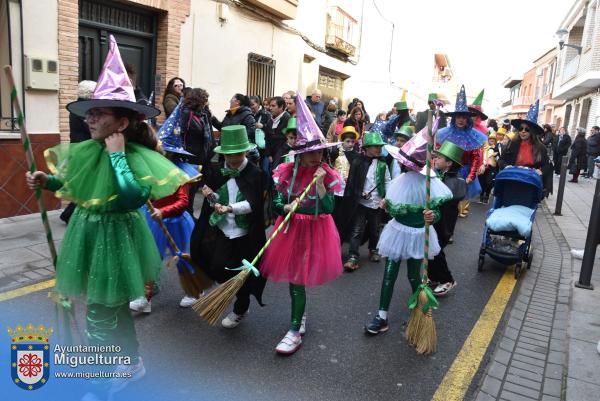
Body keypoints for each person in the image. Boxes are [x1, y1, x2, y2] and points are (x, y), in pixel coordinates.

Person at [26, 36, 187, 394]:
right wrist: (47, 179)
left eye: (99, 112)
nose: (90, 117)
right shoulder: (90, 150)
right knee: (112, 311)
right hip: (88, 232)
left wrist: (117, 156)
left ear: (123, 122)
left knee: (99, 314)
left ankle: (98, 385)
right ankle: (132, 363)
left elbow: (131, 197)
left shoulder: (135, 157)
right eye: (90, 111)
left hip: (115, 239)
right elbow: (79, 186)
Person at [259, 93, 342, 355]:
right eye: (310, 153)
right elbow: (276, 202)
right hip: (291, 229)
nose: (316, 156)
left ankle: (294, 329)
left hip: (316, 230)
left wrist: (319, 184)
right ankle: (298, 319)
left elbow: (328, 209)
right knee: (295, 279)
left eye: (319, 151)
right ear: (299, 154)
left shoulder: (327, 174)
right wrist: (285, 206)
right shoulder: (286, 171)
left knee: (301, 276)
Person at [365, 128, 452, 335]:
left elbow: (437, 213)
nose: (402, 164)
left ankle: (419, 315)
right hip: (398, 232)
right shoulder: (399, 182)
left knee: (415, 276)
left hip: (418, 234)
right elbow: (394, 209)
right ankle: (382, 316)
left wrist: (432, 216)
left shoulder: (431, 184)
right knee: (389, 273)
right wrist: (387, 206)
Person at [130, 102, 208, 313]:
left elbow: (183, 202)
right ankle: (146, 298)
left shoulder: (181, 173)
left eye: (166, 152)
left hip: (176, 221)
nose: (162, 155)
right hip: (154, 220)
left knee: (183, 257)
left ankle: (195, 291)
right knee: (149, 257)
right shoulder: (150, 169)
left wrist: (163, 211)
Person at [190, 125, 267, 329]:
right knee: (217, 267)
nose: (232, 160)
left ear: (246, 151)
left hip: (245, 234)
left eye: (237, 154)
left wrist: (231, 208)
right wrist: (210, 197)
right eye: (228, 155)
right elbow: (216, 199)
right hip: (223, 230)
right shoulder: (218, 170)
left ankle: (241, 309)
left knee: (242, 275)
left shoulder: (255, 174)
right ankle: (229, 292)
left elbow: (254, 205)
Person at [342, 131, 391, 271]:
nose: (378, 149)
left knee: (375, 229)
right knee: (357, 229)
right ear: (367, 147)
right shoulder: (357, 162)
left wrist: (385, 198)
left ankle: (373, 249)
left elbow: (387, 181)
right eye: (375, 146)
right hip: (361, 203)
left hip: (376, 203)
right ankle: (353, 256)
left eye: (380, 146)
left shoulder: (382, 164)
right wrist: (360, 193)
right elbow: (352, 183)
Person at [436, 86, 483, 218]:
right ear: (454, 118)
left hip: (463, 173)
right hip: (446, 171)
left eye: (464, 117)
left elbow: (476, 158)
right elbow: (439, 152)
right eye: (458, 117)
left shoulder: (473, 136)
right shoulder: (445, 133)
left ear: (468, 119)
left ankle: (449, 230)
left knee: (456, 205)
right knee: (443, 202)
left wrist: (471, 175)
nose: (461, 120)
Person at [429, 141, 467, 296]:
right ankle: (433, 277)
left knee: (436, 249)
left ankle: (448, 280)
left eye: (439, 158)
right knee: (430, 248)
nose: (435, 160)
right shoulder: (440, 174)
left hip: (444, 223)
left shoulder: (456, 180)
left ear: (449, 163)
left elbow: (448, 197)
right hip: (435, 220)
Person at [61, 80, 97, 224]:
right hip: (85, 150)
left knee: (85, 182)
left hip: (80, 149)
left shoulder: (79, 108)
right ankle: (68, 214)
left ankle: (69, 213)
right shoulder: (83, 111)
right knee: (86, 183)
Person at [499, 101, 553, 193]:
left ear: (532, 131)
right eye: (521, 129)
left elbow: (547, 166)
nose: (523, 131)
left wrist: (541, 171)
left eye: (527, 129)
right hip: (512, 180)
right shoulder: (512, 144)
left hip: (530, 183)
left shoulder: (540, 147)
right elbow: (501, 160)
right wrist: (507, 166)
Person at [179, 88, 217, 216]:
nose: (207, 102)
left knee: (206, 186)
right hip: (191, 157)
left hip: (204, 156)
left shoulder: (203, 113)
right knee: (191, 188)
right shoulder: (186, 113)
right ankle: (188, 215)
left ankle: (206, 215)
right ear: (198, 99)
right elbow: (185, 132)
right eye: (205, 99)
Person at [330, 126, 360, 233]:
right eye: (348, 141)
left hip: (348, 188)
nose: (350, 144)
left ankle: (342, 231)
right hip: (336, 186)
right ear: (342, 141)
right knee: (334, 210)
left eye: (353, 141)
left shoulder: (356, 155)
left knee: (344, 211)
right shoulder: (336, 152)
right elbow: (330, 165)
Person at [267, 96, 291, 167]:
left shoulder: (287, 119)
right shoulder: (270, 120)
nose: (270, 108)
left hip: (283, 154)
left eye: (273, 106)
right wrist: (269, 154)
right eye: (270, 106)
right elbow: (267, 138)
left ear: (281, 107)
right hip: (272, 154)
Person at [479, 133, 498, 204]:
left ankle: (487, 195)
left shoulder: (496, 149)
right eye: (490, 140)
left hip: (491, 168)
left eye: (493, 141)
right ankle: (481, 195)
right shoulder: (484, 148)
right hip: (482, 167)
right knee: (481, 181)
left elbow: (498, 159)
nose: (491, 142)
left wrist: (495, 156)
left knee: (489, 182)